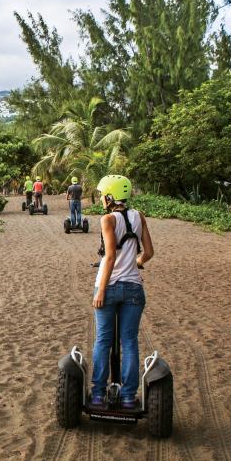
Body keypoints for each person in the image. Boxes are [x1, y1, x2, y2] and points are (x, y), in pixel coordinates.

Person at [90, 174, 154, 411]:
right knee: (129, 342)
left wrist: (101, 291)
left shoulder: (107, 220)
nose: (100, 199)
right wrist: (136, 262)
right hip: (134, 289)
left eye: (101, 195)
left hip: (110, 287)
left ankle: (97, 394)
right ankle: (128, 397)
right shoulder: (139, 216)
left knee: (103, 340)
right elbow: (148, 252)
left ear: (109, 196)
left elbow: (109, 256)